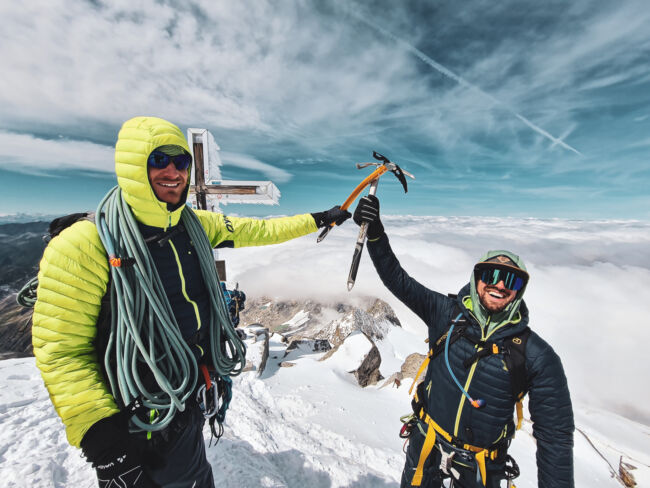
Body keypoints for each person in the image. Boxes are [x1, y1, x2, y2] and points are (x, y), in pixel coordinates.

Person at [31, 116, 350, 488]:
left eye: (181, 162)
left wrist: (318, 219)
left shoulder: (193, 225)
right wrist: (107, 448)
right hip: (135, 418)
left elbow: (259, 229)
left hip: (185, 398)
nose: (173, 171)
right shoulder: (83, 246)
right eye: (159, 160)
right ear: (134, 167)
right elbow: (61, 351)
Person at [353, 195, 573, 488]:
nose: (499, 285)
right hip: (426, 445)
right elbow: (398, 280)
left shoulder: (536, 355)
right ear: (476, 278)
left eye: (512, 280)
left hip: (481, 466)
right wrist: (376, 233)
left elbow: (555, 437)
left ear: (520, 290)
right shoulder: (445, 313)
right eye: (490, 275)